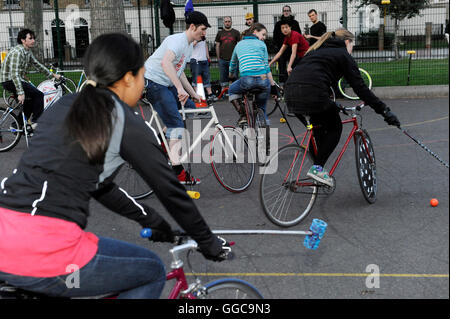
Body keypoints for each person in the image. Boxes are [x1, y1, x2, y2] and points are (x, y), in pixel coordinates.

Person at [0, 33, 229, 299]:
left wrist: (154, 222)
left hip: (6, 237)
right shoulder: (123, 118)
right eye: (142, 75)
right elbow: (169, 188)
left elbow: (101, 186)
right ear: (129, 78)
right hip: (51, 252)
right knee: (152, 270)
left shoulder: (64, 105)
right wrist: (207, 241)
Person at [284, 29, 400, 187]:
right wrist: (384, 111)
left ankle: (317, 168)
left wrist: (334, 104)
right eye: (352, 44)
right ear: (347, 42)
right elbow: (361, 88)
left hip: (290, 93)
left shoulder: (315, 51)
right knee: (335, 128)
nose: (352, 48)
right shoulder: (342, 54)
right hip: (313, 93)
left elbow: (312, 76)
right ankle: (317, 168)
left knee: (318, 127)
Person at [145, 11, 209, 185]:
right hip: (153, 82)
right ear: (192, 27)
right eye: (202, 29)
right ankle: (177, 172)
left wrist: (193, 94)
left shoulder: (188, 46)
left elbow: (179, 73)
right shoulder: (177, 41)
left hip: (166, 83)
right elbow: (166, 63)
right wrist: (180, 89)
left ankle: (160, 143)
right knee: (176, 124)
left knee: (190, 107)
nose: (204, 33)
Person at [1, 28, 61, 126]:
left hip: (15, 79)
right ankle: (36, 122)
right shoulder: (18, 52)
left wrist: (53, 75)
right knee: (39, 95)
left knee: (29, 101)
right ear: (23, 40)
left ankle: (17, 125)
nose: (33, 41)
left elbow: (37, 64)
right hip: (9, 81)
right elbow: (14, 73)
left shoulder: (27, 51)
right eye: (30, 38)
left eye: (33, 38)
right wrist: (20, 93)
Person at [228, 23, 276, 125]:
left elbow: (233, 64)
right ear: (255, 32)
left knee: (232, 90)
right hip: (263, 79)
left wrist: (231, 75)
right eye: (263, 34)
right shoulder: (262, 45)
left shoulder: (238, 45)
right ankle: (264, 119)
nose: (263, 38)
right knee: (262, 107)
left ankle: (243, 115)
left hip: (247, 79)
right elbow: (266, 67)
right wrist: (272, 85)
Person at [272, 5, 301, 84]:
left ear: (290, 12)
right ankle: (282, 84)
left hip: (293, 49)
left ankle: (294, 82)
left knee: (294, 66)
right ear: (282, 12)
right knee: (282, 67)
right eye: (285, 10)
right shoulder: (278, 24)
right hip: (282, 48)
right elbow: (275, 36)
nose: (286, 12)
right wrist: (279, 46)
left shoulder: (295, 23)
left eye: (288, 10)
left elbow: (299, 35)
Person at [215, 16, 240, 95]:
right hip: (222, 59)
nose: (227, 23)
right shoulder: (220, 33)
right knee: (223, 77)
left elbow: (239, 45)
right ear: (223, 23)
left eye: (229, 21)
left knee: (234, 76)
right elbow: (217, 46)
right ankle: (223, 93)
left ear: (231, 22)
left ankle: (233, 92)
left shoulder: (236, 32)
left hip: (234, 59)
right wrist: (218, 58)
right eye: (226, 21)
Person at [190, 38, 217, 102]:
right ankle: (197, 95)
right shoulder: (192, 36)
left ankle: (210, 94)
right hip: (196, 59)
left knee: (206, 77)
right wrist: (197, 40)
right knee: (196, 78)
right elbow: (190, 46)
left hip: (204, 60)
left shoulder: (202, 36)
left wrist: (207, 57)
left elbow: (205, 46)